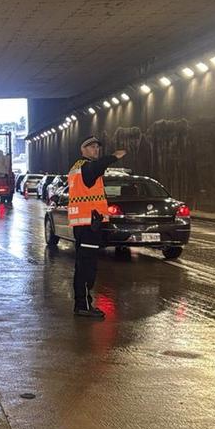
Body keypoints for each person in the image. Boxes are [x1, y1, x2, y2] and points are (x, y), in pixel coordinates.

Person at [67, 136, 126, 319]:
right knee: (87, 268)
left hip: (85, 224)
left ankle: (82, 303)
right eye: (92, 147)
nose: (96, 150)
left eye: (97, 148)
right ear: (83, 150)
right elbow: (97, 167)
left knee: (83, 265)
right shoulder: (85, 167)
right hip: (88, 225)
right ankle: (83, 305)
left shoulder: (77, 168)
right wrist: (113, 156)